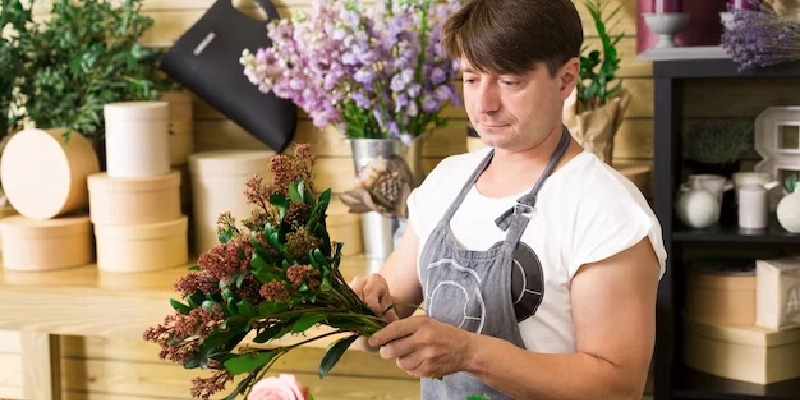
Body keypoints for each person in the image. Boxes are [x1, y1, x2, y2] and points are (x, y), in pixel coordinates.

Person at [349, 0, 667, 399]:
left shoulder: (606, 208)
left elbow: (617, 386)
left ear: (566, 79)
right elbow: (383, 319)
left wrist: (470, 353)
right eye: (471, 79)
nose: (485, 105)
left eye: (509, 82)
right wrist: (367, 312)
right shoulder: (446, 182)